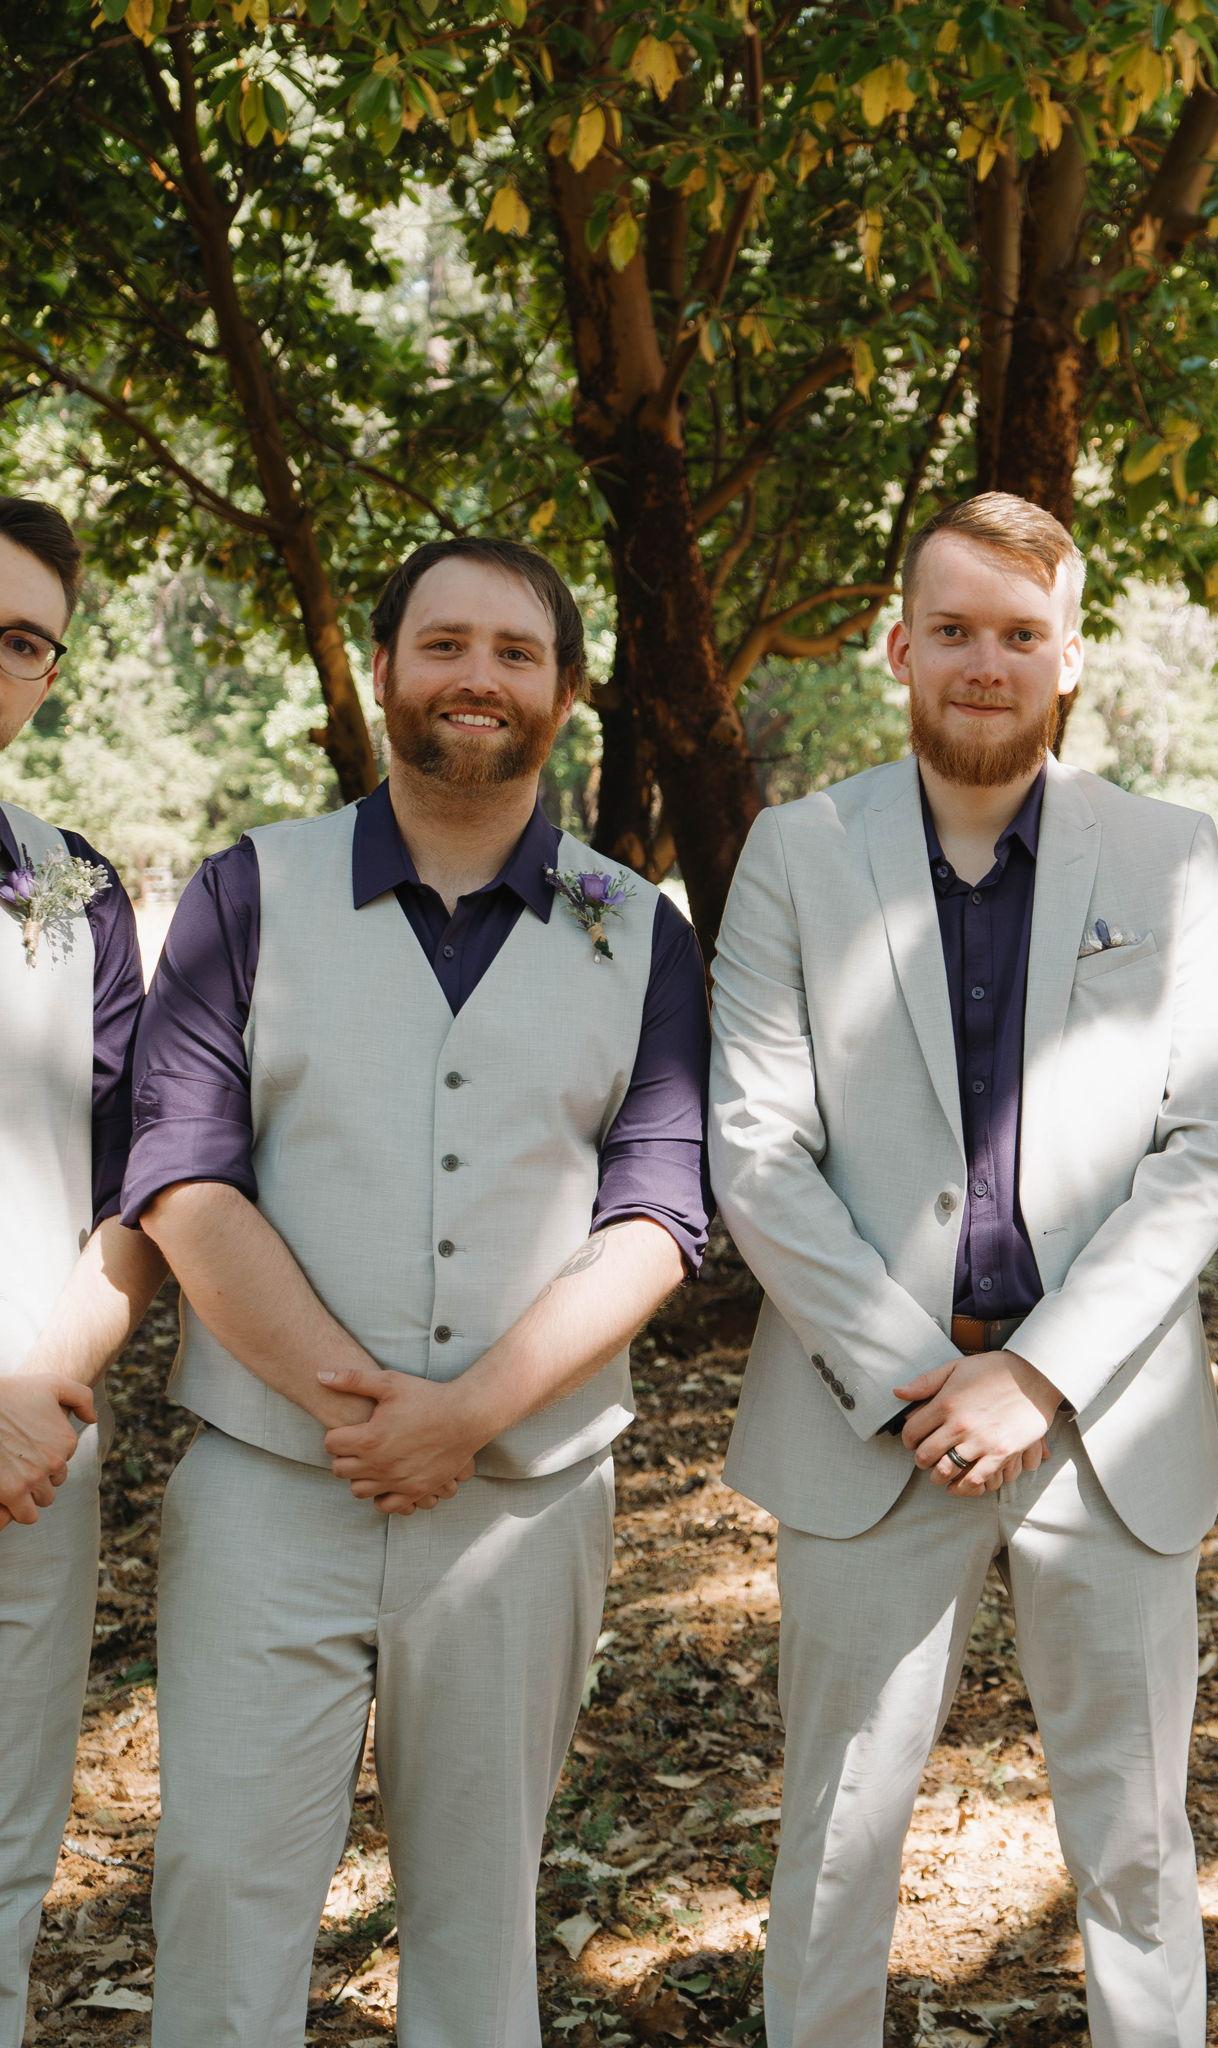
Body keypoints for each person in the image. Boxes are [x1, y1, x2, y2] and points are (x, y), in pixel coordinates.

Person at [124, 538, 712, 2048]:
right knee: (224, 1887)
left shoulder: (638, 928)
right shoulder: (250, 891)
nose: (478, 677)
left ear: (566, 694)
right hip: (268, 1484)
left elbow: (658, 1210)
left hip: (522, 1503)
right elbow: (185, 1176)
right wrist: (363, 1410)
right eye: (444, 644)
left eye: (517, 653)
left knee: (478, 1912)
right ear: (381, 669)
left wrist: (467, 1415)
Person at [708, 492, 1218, 2047]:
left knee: (1138, 1838)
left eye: (1021, 633)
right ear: (899, 647)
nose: (985, 662)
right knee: (836, 1836)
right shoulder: (797, 853)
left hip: (1108, 1417)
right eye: (952, 629)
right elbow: (755, 1148)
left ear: (1069, 658)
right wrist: (921, 1379)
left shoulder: (1167, 853)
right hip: (867, 1420)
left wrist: (1038, 1372)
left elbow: (1212, 1138)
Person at [0, 496, 163, 2048]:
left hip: (29, 1452)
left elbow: (138, 1183)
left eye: (21, 640)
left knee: (2, 1852)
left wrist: (45, 1388)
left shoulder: (73, 888)